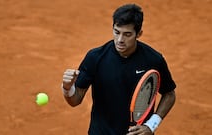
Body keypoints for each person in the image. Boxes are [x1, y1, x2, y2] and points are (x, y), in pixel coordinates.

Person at [61, 3, 176, 135]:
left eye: (127, 34)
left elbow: (169, 94)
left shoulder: (153, 59)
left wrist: (151, 125)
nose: (120, 40)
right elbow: (75, 100)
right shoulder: (95, 57)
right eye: (117, 32)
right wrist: (67, 88)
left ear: (139, 34)